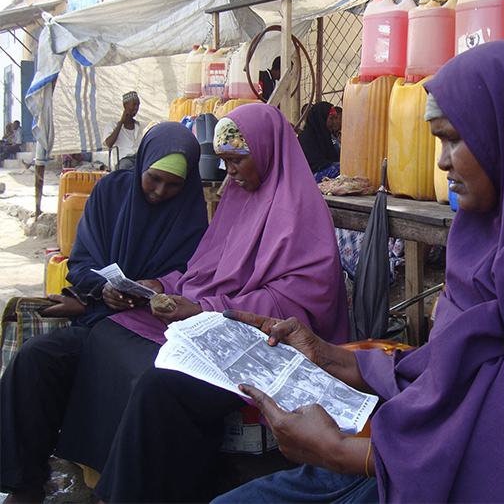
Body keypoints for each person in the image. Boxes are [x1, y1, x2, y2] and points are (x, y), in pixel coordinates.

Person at [212, 41, 504, 503]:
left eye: (454, 138)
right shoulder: (482, 241)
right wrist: (326, 355)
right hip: (424, 460)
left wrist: (343, 454)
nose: (441, 161)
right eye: (437, 141)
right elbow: (449, 372)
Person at [53, 103, 350, 503]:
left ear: (267, 152)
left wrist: (205, 308)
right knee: (108, 331)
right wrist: (162, 285)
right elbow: (204, 271)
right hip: (221, 324)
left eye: (237, 160)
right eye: (224, 160)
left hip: (271, 348)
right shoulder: (237, 199)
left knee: (160, 383)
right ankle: (108, 473)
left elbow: (296, 305)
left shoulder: (300, 212)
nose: (229, 171)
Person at [0, 122, 209, 504]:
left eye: (173, 185)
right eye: (154, 179)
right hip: (98, 316)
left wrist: (160, 285)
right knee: (35, 360)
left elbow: (197, 277)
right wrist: (103, 289)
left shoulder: (194, 217)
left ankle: (113, 487)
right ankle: (24, 480)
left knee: (136, 377)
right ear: (142, 164)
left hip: (150, 329)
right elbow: (80, 263)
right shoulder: (111, 193)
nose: (161, 192)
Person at [297, 101, 341, 182]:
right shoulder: (306, 137)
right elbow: (316, 164)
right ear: (321, 119)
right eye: (331, 118)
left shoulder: (326, 137)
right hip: (310, 177)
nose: (335, 122)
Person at [103, 91, 144, 170]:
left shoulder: (138, 126)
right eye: (134, 104)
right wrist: (121, 122)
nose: (136, 108)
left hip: (137, 159)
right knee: (126, 167)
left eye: (138, 105)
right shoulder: (112, 124)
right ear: (125, 105)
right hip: (122, 160)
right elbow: (109, 144)